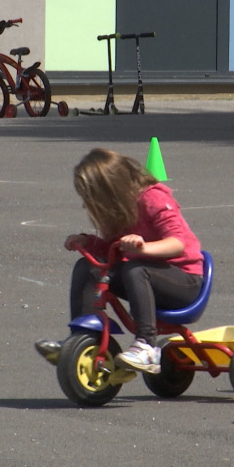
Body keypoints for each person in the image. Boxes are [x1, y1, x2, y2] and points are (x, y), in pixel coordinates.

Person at [35, 148, 204, 374]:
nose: (87, 205)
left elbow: (177, 242)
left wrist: (143, 247)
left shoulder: (153, 198)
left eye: (92, 197)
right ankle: (82, 338)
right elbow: (113, 249)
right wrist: (89, 243)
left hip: (184, 281)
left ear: (111, 190)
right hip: (141, 274)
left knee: (135, 268)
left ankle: (147, 345)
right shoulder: (120, 211)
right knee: (89, 266)